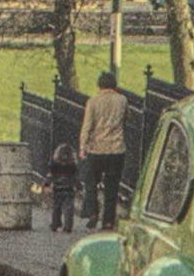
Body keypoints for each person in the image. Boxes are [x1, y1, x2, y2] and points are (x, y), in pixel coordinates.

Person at [78, 70, 130, 229]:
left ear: (99, 85)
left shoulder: (93, 102)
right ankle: (108, 220)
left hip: (96, 149)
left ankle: (93, 212)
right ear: (114, 85)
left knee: (91, 184)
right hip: (116, 149)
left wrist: (82, 147)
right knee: (112, 186)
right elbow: (126, 119)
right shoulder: (122, 100)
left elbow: (87, 126)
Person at [45, 143, 81, 233]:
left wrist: (47, 184)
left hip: (57, 188)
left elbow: (50, 175)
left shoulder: (54, 164)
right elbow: (75, 178)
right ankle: (68, 226)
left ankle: (55, 224)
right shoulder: (72, 166)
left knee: (56, 207)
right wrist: (79, 187)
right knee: (69, 208)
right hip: (69, 189)